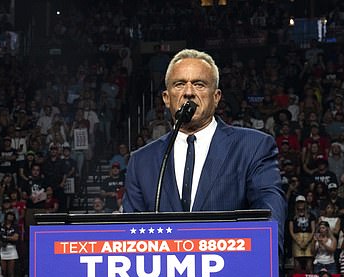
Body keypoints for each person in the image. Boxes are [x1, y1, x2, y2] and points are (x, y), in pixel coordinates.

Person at [122, 49, 286, 249]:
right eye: (179, 84)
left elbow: (269, 217)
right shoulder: (142, 161)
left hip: (230, 275)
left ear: (216, 97)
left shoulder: (253, 147)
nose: (189, 92)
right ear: (166, 97)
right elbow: (131, 239)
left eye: (199, 84)